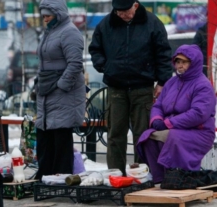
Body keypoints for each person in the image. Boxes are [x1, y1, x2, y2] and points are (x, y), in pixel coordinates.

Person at [88, 0, 172, 175]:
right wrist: (105, 66)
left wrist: (162, 82)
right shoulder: (106, 24)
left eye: (125, 11)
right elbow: (95, 49)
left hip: (143, 87)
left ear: (135, 5)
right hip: (116, 87)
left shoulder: (152, 23)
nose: (121, 15)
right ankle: (115, 175)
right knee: (115, 134)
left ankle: (142, 175)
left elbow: (163, 53)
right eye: (118, 12)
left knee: (142, 135)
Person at [136, 44, 216, 184]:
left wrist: (167, 123)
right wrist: (156, 119)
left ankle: (178, 178)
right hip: (174, 128)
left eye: (184, 62)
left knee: (171, 137)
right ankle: (159, 179)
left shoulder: (202, 85)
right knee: (148, 137)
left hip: (199, 131)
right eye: (177, 62)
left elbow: (198, 114)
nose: (180, 65)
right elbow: (158, 105)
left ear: (194, 63)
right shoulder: (171, 82)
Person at [33, 0, 86, 181]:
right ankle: (45, 176)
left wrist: (61, 85)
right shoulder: (50, 32)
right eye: (44, 15)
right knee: (45, 134)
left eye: (48, 15)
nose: (45, 18)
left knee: (61, 136)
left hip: (64, 93)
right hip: (47, 90)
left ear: (58, 13)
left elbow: (75, 64)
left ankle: (62, 178)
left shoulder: (70, 32)